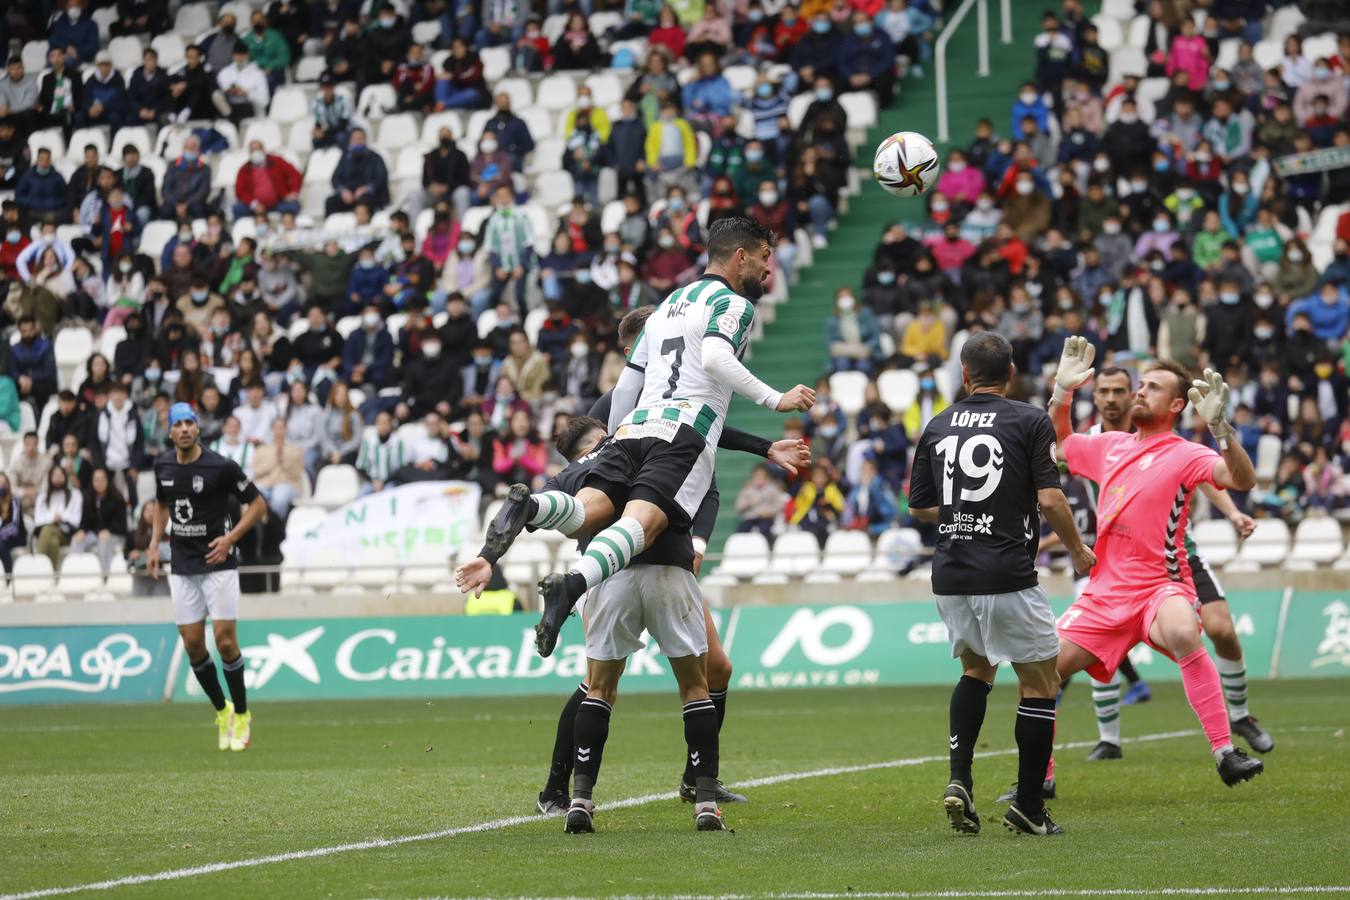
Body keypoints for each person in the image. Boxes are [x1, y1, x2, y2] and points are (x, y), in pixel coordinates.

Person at [463, 218, 816, 658]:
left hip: (633, 426)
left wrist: (612, 442)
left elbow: (628, 385)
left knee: (590, 510)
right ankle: (572, 584)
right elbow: (714, 356)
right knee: (642, 524)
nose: (769, 269)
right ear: (740, 255)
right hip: (683, 430)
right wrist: (775, 399)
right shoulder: (734, 304)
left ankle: (532, 505)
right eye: (765, 258)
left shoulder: (666, 306)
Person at [1047, 339, 1265, 789]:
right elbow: (1061, 445)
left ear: (1178, 404)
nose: (1140, 392)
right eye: (1140, 384)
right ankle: (1038, 781)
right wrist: (1061, 394)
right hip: (1104, 592)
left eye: (1152, 387)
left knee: (1187, 630)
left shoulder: (1186, 453)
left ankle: (1226, 752)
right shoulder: (1108, 445)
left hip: (1160, 587)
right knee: (1042, 673)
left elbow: (1241, 479)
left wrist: (1222, 429)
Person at [907, 331, 1093, 837]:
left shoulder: (939, 424)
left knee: (976, 670)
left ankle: (959, 779)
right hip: (1006, 571)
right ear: (1010, 374)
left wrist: (965, 510)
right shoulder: (1029, 419)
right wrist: (1077, 550)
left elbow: (919, 505)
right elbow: (1052, 500)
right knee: (1041, 684)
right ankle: (1029, 806)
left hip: (951, 574)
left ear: (964, 374)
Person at [149, 402, 267, 752]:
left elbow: (258, 505)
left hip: (219, 562)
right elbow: (161, 504)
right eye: (178, 424)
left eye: (189, 423)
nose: (184, 429)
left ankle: (243, 713)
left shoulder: (220, 466)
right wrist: (154, 544)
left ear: (197, 428)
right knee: (193, 645)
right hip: (183, 566)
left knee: (225, 641)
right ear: (170, 431)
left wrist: (231, 538)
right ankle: (222, 711)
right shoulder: (163, 465)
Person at [72, 467, 128, 574]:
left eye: (102, 479)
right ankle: (74, 573)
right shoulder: (88, 498)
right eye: (96, 480)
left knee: (104, 541)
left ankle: (105, 575)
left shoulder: (118, 499)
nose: (99, 483)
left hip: (115, 535)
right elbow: (85, 522)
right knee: (76, 540)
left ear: (108, 480)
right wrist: (82, 530)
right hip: (95, 534)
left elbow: (122, 525)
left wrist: (109, 530)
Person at [252, 416, 306, 519]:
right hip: (266, 483)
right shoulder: (262, 449)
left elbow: (297, 472)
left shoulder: (295, 449)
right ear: (272, 429)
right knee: (254, 494)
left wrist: (283, 461)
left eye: (282, 428)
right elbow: (256, 471)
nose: (279, 431)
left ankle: (275, 526)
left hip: (288, 484)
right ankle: (258, 526)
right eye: (276, 428)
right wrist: (274, 460)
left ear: (286, 429)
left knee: (279, 497)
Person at [233, 141, 302, 220]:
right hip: (255, 206)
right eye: (253, 150)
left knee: (293, 205)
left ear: (263, 150)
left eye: (258, 149)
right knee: (238, 209)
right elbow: (240, 190)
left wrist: (294, 192)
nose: (256, 153)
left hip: (278, 202)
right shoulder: (244, 169)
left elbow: (295, 175)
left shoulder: (277, 161)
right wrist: (254, 204)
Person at [34, 464, 83, 568]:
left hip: (67, 534)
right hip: (47, 533)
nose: (58, 478)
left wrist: (61, 518)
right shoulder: (43, 496)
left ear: (65, 477)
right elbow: (38, 520)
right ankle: (54, 575)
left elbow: (76, 520)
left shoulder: (75, 494)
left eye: (60, 475)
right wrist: (52, 518)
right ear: (50, 478)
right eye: (55, 475)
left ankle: (38, 569)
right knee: (53, 542)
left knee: (47, 529)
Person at [0, 472, 26, 577]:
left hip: (16, 536)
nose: (1, 486)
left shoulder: (14, 501)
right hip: (2, 538)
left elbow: (14, 526)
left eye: (3, 483)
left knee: (0, 544)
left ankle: (8, 577)